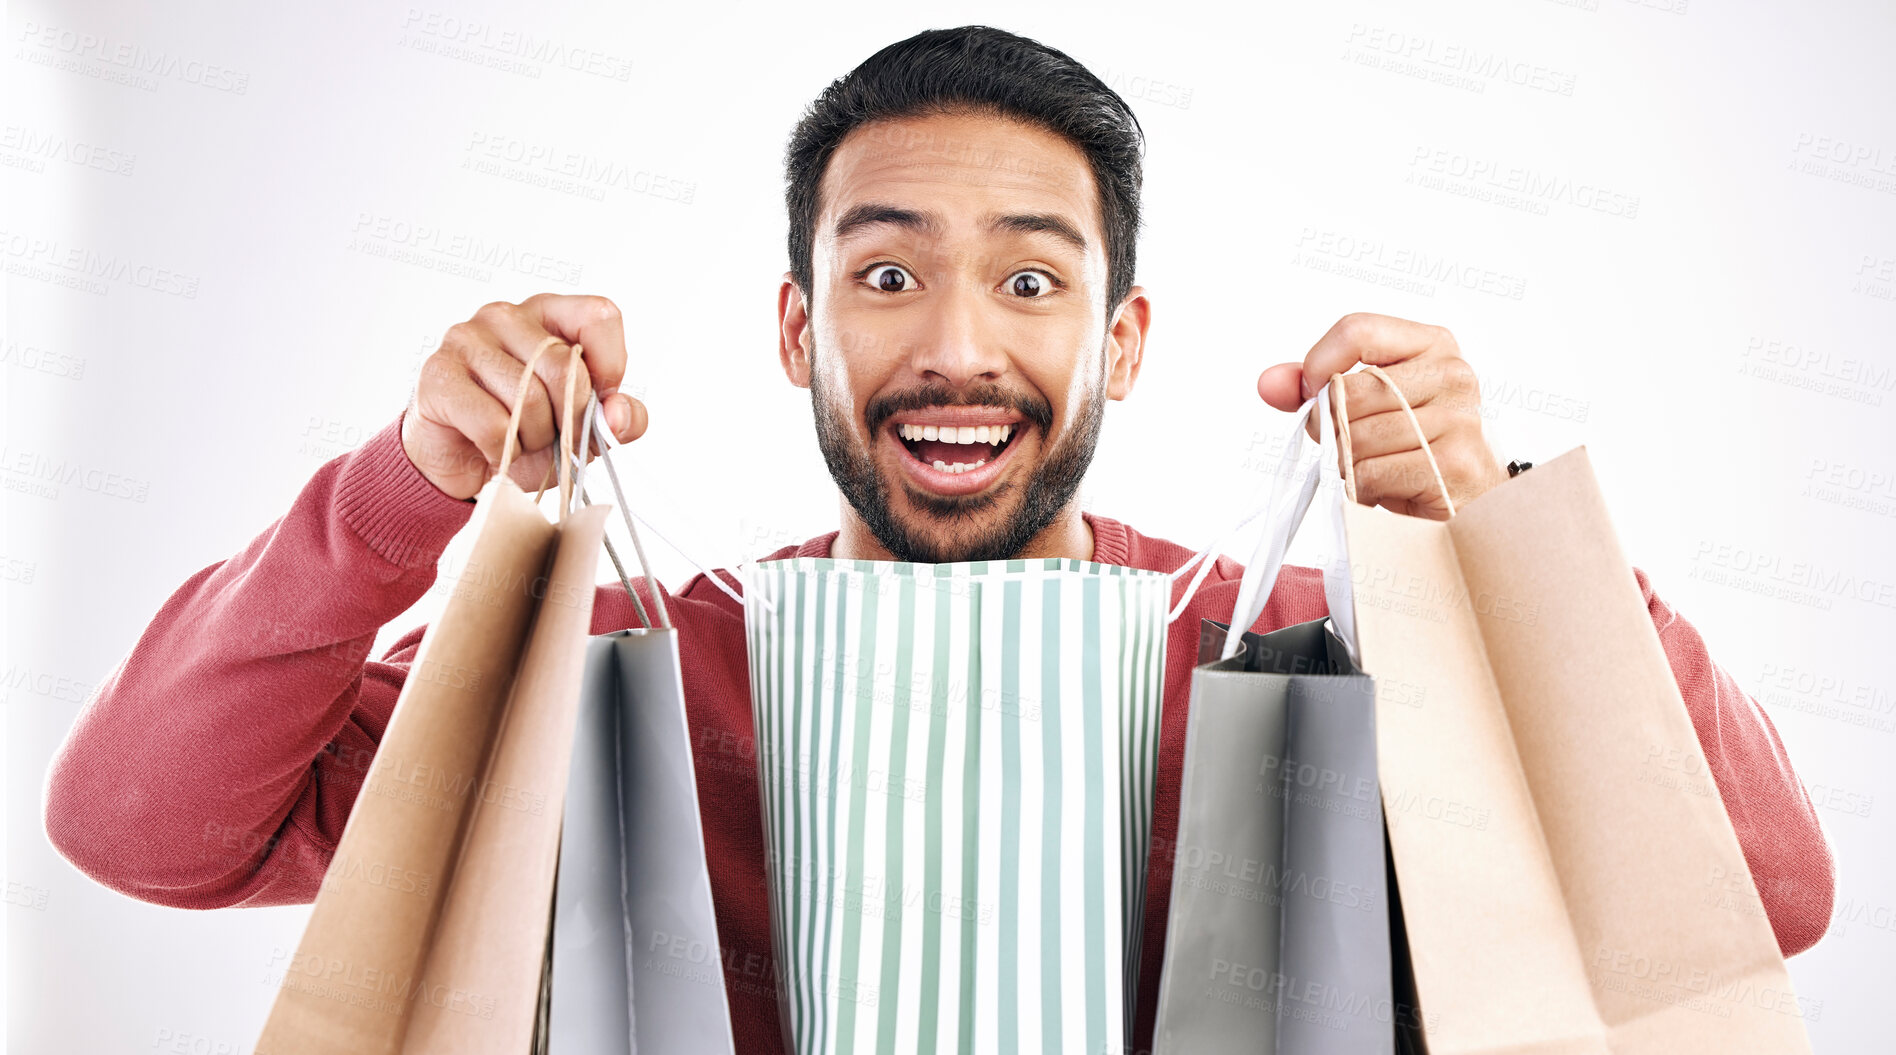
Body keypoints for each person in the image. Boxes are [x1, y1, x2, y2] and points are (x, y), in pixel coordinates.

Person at [43, 25, 1833, 1054]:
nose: (960, 346)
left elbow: (1759, 901)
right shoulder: (630, 678)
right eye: (884, 273)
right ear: (794, 331)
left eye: (1032, 281)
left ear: (1121, 342)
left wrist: (1503, 534)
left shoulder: (1304, 665)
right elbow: (144, 832)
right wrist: (407, 490)